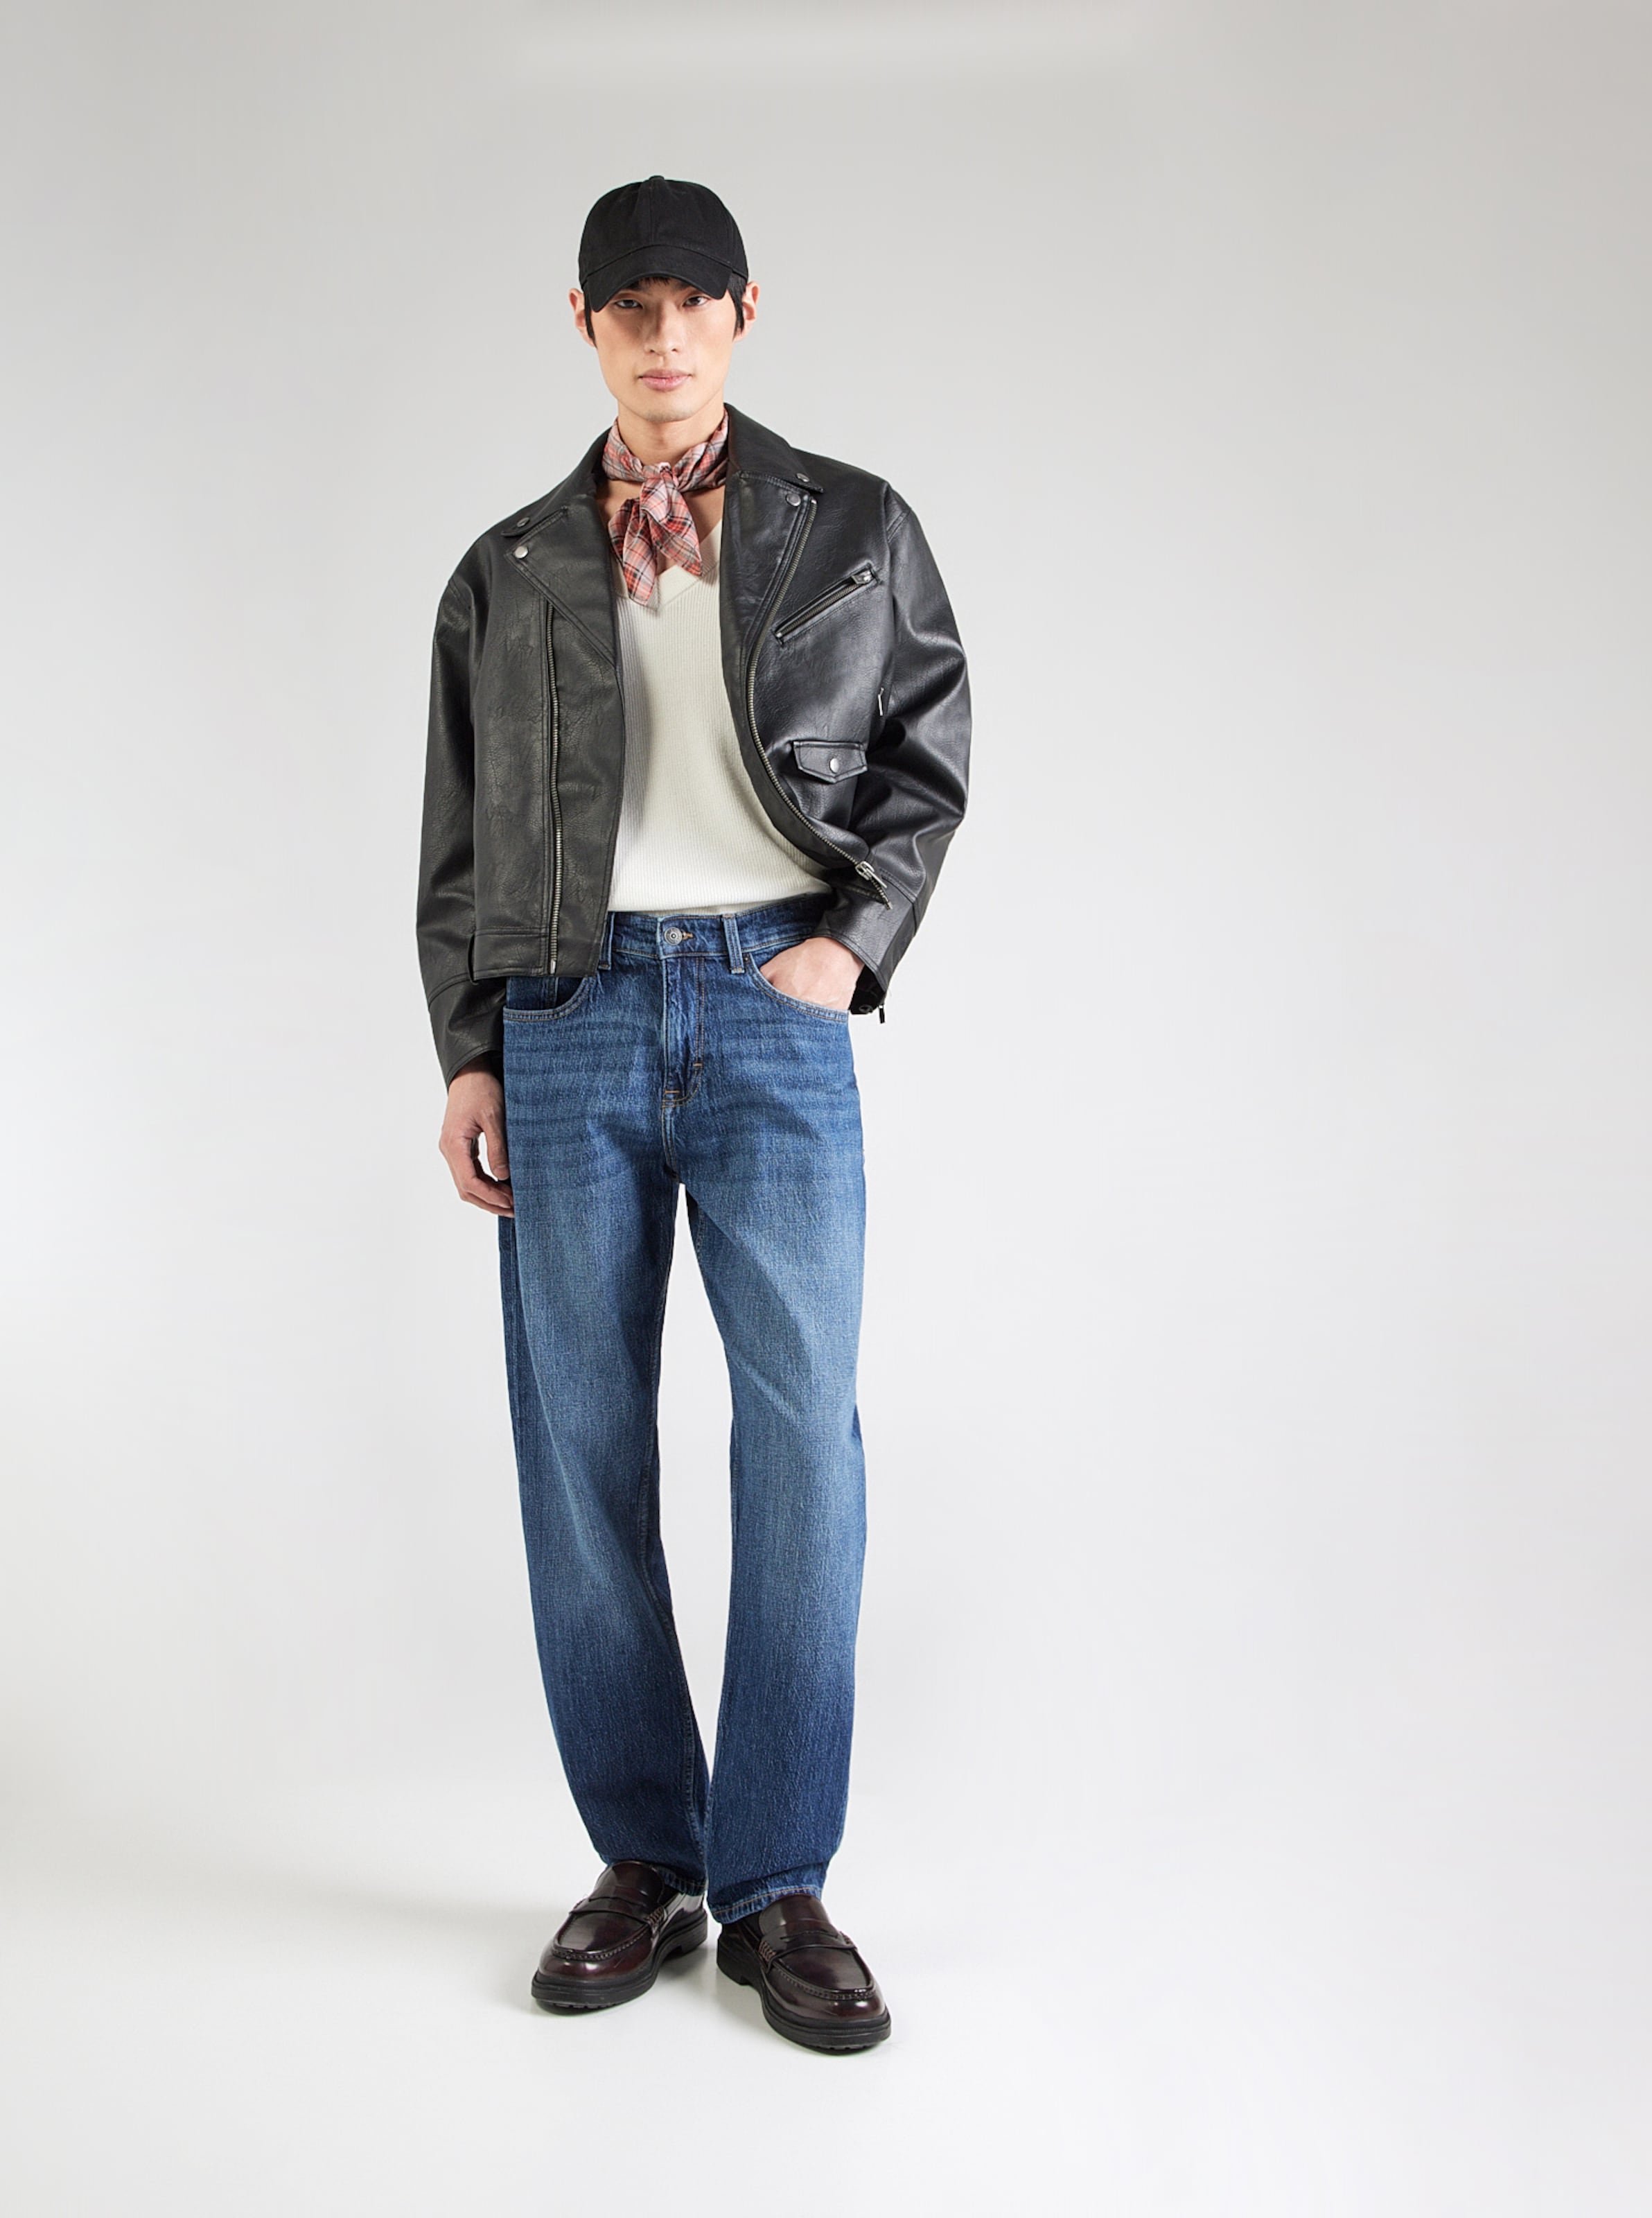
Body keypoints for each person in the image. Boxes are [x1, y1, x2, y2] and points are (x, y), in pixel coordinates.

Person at [416, 175, 971, 2053]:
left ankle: (779, 1878)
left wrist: (846, 947)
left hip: (768, 1004)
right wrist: (471, 1049)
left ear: (745, 313)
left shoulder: (850, 530)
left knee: (802, 1435)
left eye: (695, 304)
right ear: (582, 325)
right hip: (566, 1015)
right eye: (629, 308)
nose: (665, 339)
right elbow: (462, 831)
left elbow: (928, 754)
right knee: (577, 1439)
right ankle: (645, 1858)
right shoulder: (506, 568)